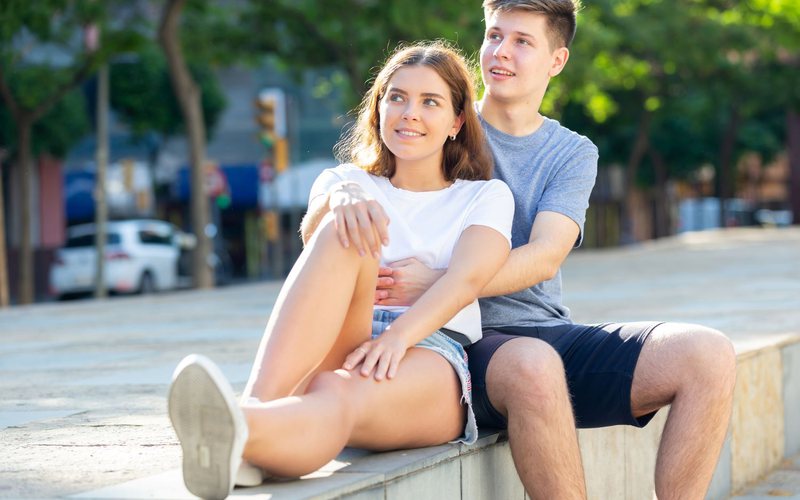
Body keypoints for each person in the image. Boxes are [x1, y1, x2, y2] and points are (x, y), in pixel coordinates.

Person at [311, 1, 738, 499]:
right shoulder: (438, 121)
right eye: (494, 35)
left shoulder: (572, 152)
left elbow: (545, 255)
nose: (501, 52)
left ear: (556, 61)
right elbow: (362, 175)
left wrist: (443, 280)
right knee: (531, 364)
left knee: (708, 354)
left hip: (545, 328)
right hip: (459, 344)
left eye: (521, 41)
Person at [167, 41, 515, 500]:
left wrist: (397, 338)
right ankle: (255, 409)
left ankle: (237, 429)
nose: (409, 112)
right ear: (378, 109)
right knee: (345, 225)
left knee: (337, 390)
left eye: (430, 102)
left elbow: (467, 278)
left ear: (456, 121)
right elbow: (316, 234)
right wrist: (342, 199)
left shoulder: (483, 197)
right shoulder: (345, 181)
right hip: (344, 332)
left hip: (433, 351)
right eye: (397, 97)